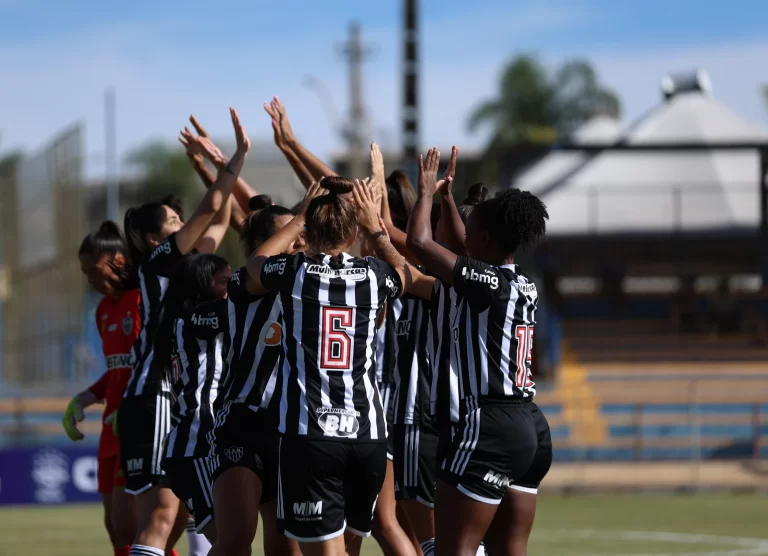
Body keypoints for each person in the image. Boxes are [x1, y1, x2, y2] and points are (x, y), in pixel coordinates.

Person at [243, 177, 431, 556]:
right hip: (367, 437)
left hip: (310, 435)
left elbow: (255, 264)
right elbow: (414, 277)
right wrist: (376, 232)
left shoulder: (296, 271)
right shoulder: (374, 275)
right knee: (349, 550)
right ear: (352, 232)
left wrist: (298, 219)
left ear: (311, 233)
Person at [406, 149, 553, 556]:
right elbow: (463, 250)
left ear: (486, 238)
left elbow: (419, 241)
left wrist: (424, 193)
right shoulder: (522, 282)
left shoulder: (485, 283)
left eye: (471, 230)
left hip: (488, 424)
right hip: (531, 427)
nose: (463, 236)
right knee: (510, 549)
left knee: (456, 550)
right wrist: (449, 199)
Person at [118, 107, 250, 556]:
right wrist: (236, 157)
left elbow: (218, 218)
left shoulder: (183, 273)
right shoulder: (159, 265)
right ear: (157, 241)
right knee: (160, 519)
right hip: (154, 393)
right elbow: (213, 207)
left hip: (155, 396)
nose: (182, 223)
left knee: (174, 520)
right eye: (174, 222)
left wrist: (218, 169)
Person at [207, 194, 304, 556]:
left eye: (302, 235)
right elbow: (256, 268)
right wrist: (301, 217)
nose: (299, 241)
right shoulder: (242, 283)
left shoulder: (308, 285)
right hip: (243, 422)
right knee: (235, 541)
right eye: (292, 235)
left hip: (290, 428)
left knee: (286, 549)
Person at [64, 221, 139, 556]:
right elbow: (116, 371)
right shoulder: (103, 310)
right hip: (111, 428)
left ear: (118, 260)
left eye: (92, 270)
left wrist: (134, 407)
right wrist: (86, 397)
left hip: (138, 425)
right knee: (115, 529)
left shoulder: (142, 300)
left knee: (132, 526)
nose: (89, 280)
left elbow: (150, 365)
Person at [152, 253, 232, 544]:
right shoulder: (193, 319)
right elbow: (235, 310)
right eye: (225, 282)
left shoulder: (181, 319)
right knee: (228, 544)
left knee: (231, 544)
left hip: (204, 443)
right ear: (203, 284)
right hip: (193, 444)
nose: (232, 287)